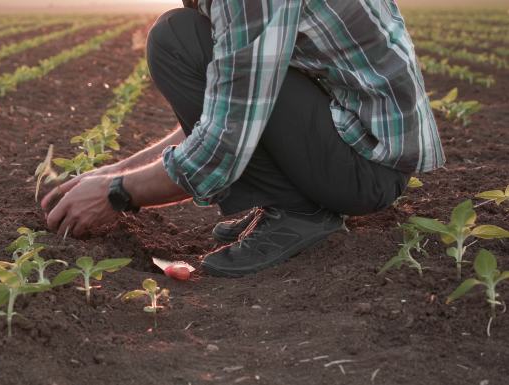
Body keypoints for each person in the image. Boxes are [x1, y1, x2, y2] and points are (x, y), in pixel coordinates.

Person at [40, 0, 444, 277]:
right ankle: (292, 200)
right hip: (354, 147)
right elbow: (235, 103)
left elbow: (224, 144)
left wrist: (117, 193)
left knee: (176, 40)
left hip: (366, 169)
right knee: (182, 35)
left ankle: (300, 211)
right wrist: (116, 170)